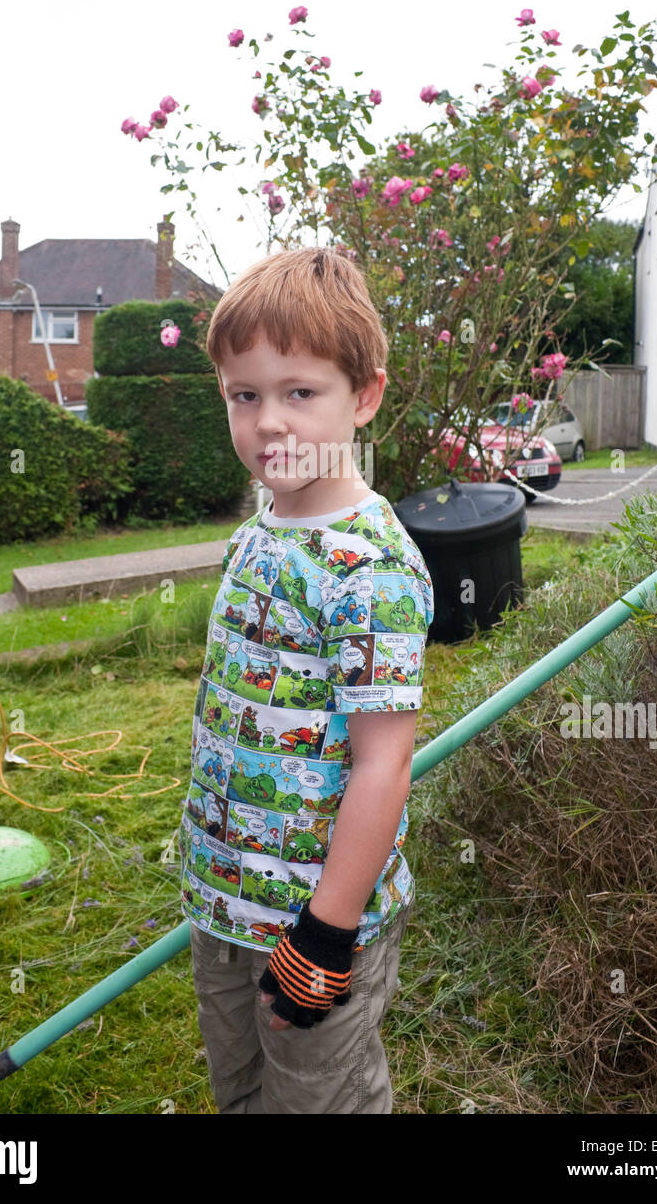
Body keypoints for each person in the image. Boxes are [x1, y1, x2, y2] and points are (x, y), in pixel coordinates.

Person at [178, 246, 434, 1114]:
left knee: (319, 1101)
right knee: (241, 1089)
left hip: (313, 920)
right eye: (244, 396)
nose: (269, 424)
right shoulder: (261, 529)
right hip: (225, 900)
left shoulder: (371, 569)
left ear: (363, 396)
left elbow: (382, 766)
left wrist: (327, 931)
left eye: (299, 393)